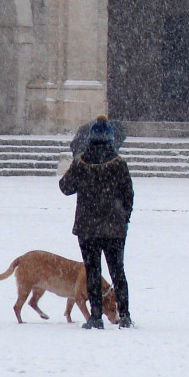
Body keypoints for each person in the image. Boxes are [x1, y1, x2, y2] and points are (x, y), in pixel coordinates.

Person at [59, 116, 134, 329]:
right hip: (114, 228)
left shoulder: (81, 162)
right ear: (110, 139)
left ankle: (96, 316)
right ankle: (125, 314)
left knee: (93, 271)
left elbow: (65, 188)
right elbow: (129, 194)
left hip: (87, 226)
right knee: (117, 271)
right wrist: (124, 218)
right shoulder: (119, 164)